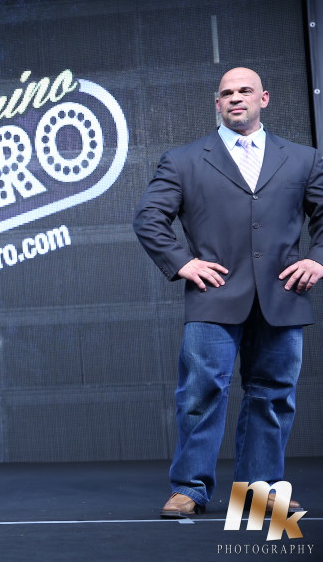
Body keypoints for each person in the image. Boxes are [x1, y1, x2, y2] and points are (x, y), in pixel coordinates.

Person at [133, 67, 323, 518]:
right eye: (227, 93)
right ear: (217, 104)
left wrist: (318, 258)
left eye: (245, 91)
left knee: (273, 395)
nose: (236, 97)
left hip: (282, 295)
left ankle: (259, 492)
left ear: (264, 98)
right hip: (214, 296)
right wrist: (183, 263)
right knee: (200, 394)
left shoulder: (304, 159)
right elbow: (148, 217)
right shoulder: (183, 160)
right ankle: (190, 488)